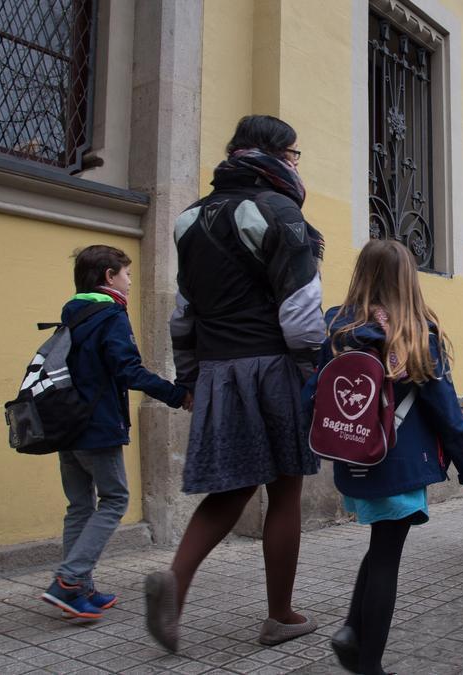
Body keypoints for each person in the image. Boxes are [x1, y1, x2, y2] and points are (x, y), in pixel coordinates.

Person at [146, 115, 325, 652]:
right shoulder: (279, 211)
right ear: (272, 156)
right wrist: (313, 368)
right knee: (286, 487)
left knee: (233, 487)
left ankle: (176, 584)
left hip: (219, 370)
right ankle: (281, 616)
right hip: (273, 366)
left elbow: (183, 314)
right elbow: (299, 312)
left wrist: (190, 378)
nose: (295, 165)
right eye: (293, 155)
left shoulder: (190, 218)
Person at [306, 239, 463, 675]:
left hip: (354, 453)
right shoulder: (416, 335)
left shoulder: (338, 329)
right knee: (387, 557)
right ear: (408, 279)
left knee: (382, 543)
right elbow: (445, 408)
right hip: (400, 460)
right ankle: (370, 666)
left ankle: (351, 629)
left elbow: (313, 392)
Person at [40, 246, 191, 619]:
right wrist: (176, 394)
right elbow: (128, 369)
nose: (128, 281)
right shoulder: (110, 314)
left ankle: (80, 589)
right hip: (97, 427)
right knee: (114, 500)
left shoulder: (73, 315)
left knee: (79, 506)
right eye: (126, 274)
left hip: (67, 426)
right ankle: (69, 580)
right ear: (109, 276)